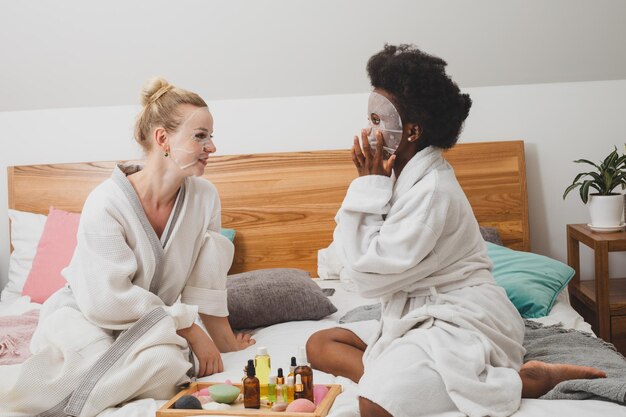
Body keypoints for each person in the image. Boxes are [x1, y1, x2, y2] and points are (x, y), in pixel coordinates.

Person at [307, 44, 605, 417]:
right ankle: (397, 376)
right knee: (320, 344)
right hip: (418, 314)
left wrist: (367, 185)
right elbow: (360, 261)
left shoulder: (433, 190)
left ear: (412, 130)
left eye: (379, 120)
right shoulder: (397, 176)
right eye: (370, 118)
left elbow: (368, 275)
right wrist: (373, 185)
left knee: (374, 404)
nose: (370, 130)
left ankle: (524, 381)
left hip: (462, 318)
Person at [0, 78, 255, 416]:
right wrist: (188, 327)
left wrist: (223, 341)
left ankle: (102, 387)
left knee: (167, 364)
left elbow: (205, 278)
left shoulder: (204, 197)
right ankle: (44, 405)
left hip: (151, 323)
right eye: (200, 136)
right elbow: (107, 300)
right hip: (88, 315)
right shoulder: (106, 202)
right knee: (86, 356)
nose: (212, 147)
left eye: (211, 136)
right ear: (162, 138)